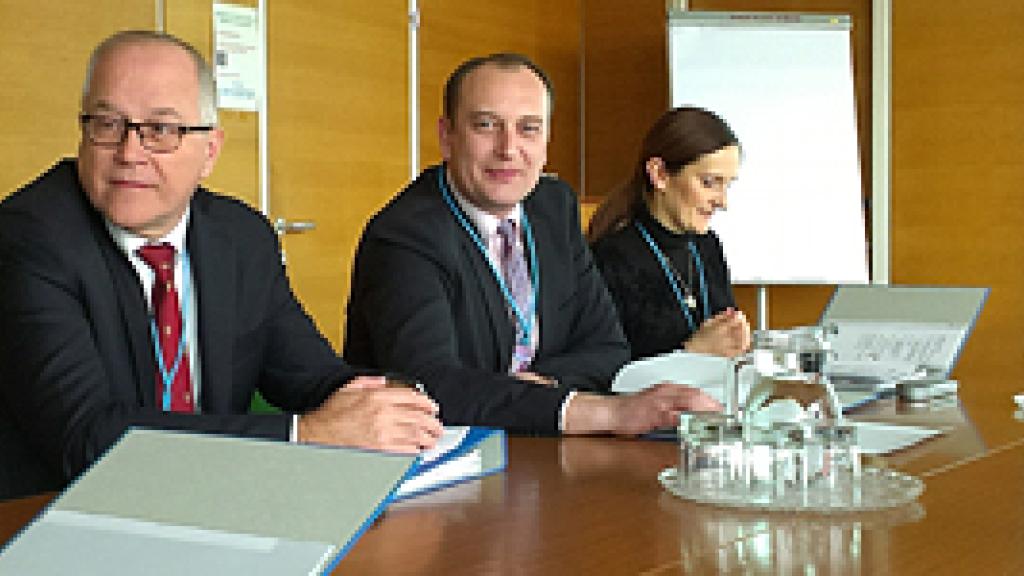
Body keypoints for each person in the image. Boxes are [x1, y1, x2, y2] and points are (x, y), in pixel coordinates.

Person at [0, 31, 441, 496]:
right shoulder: (28, 238)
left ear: (210, 151)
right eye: (108, 125)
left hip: (211, 501)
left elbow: (310, 375)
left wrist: (390, 405)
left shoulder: (241, 237)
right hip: (56, 518)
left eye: (161, 130)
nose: (129, 153)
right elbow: (86, 439)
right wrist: (306, 436)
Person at [344, 53, 720, 436]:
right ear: (447, 137)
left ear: (546, 142)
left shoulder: (553, 206)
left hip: (535, 446)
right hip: (438, 463)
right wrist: (601, 412)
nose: (508, 148)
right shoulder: (404, 236)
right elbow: (429, 387)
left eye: (528, 129)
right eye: (486, 125)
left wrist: (538, 390)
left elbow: (607, 347)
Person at [589, 107, 751, 360]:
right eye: (709, 183)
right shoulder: (610, 257)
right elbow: (607, 373)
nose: (722, 202)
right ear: (660, 174)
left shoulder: (707, 244)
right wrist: (693, 353)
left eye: (727, 185)